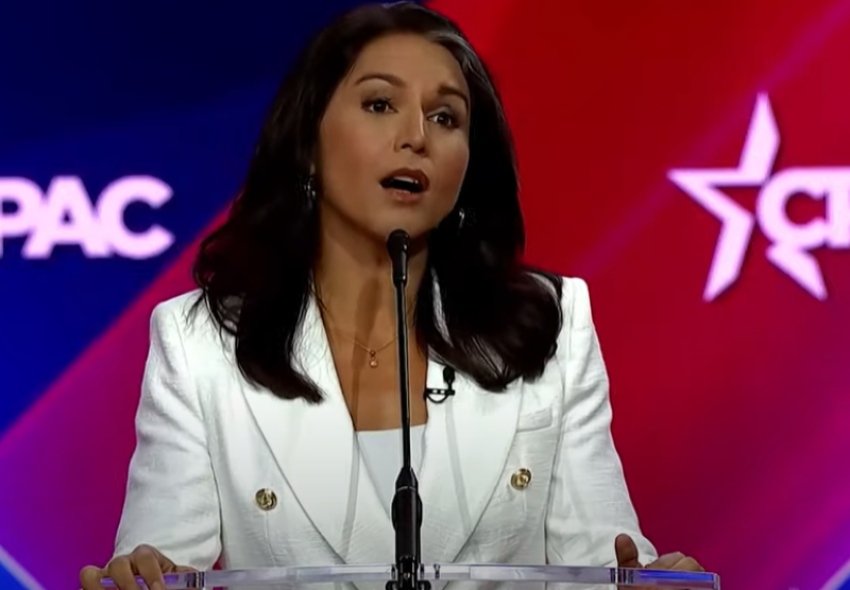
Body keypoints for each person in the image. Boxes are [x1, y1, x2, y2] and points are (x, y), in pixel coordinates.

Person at [80, 3, 704, 590]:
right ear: (309, 141)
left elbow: (604, 557)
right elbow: (162, 564)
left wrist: (647, 577)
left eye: (446, 117)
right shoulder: (200, 343)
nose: (416, 137)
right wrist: (142, 572)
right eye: (380, 104)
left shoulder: (551, 325)